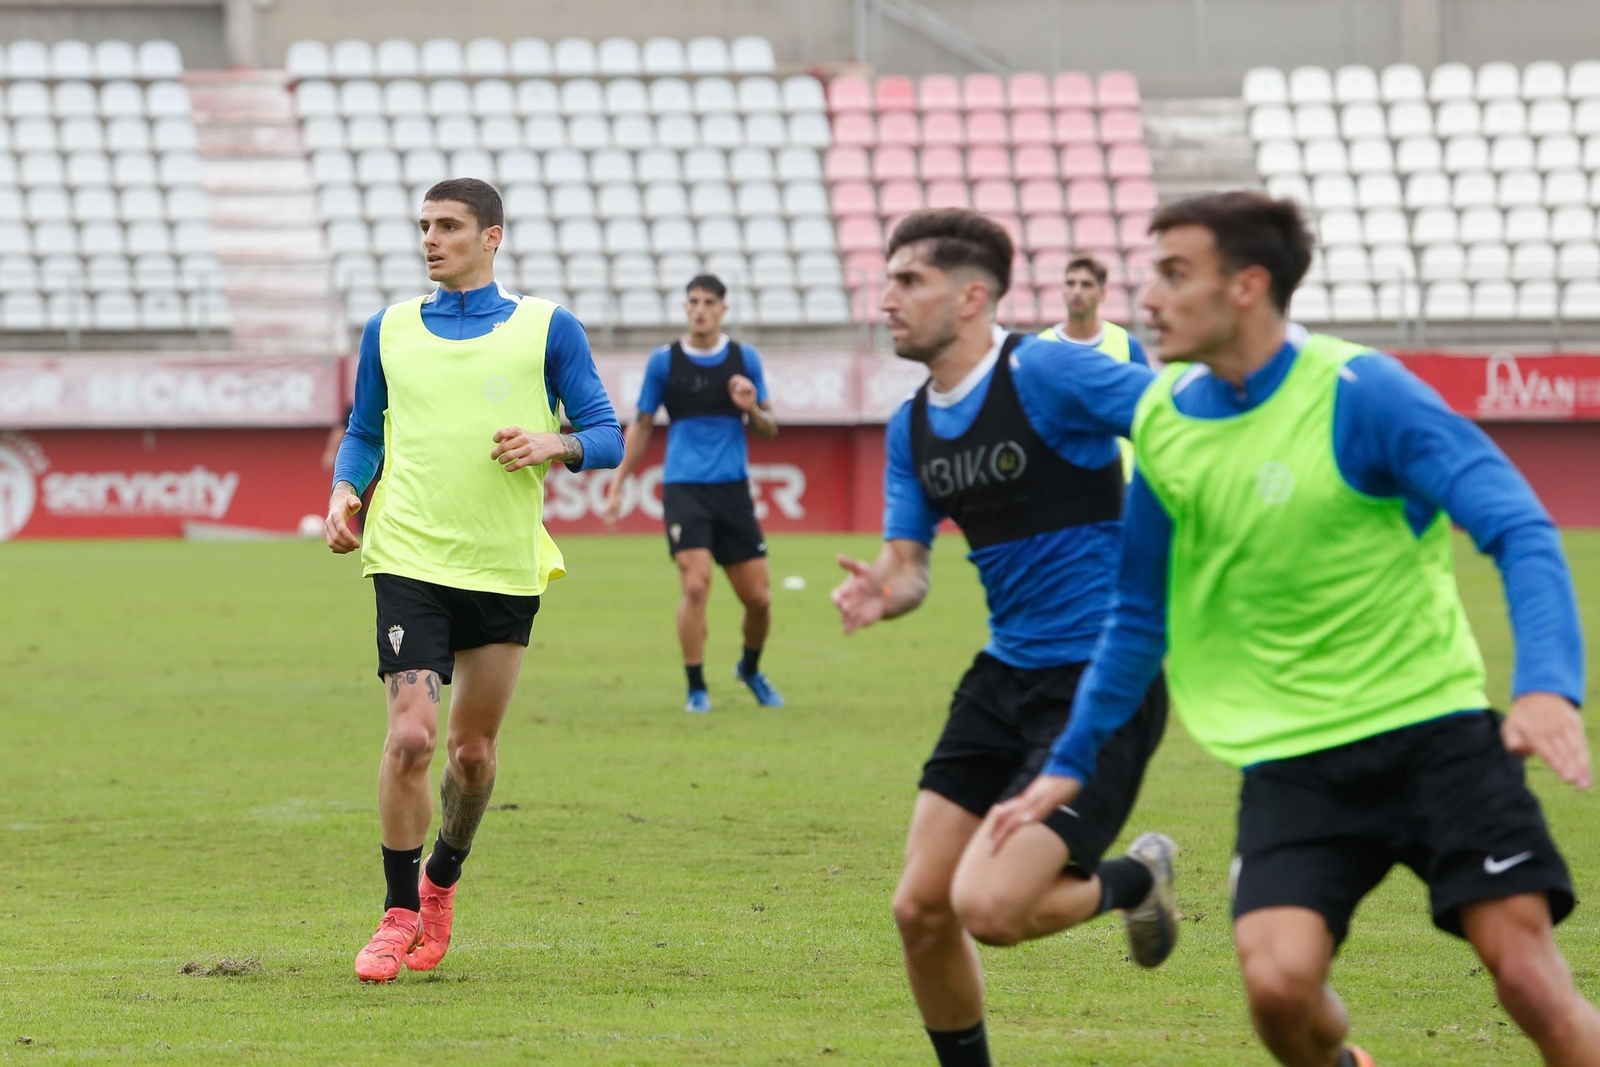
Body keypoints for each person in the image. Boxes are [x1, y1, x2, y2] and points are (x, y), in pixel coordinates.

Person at [991, 190, 1600, 1067]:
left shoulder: (1363, 392)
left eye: (1173, 273)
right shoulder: (1165, 420)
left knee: (1529, 978)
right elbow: (1136, 616)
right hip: (1295, 761)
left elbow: (1518, 526)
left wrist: (1546, 685)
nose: (1147, 298)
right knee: (1278, 990)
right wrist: (1069, 763)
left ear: (1247, 285)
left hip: (1433, 734)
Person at [830, 208, 1177, 1067]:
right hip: (1003, 678)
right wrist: (883, 590)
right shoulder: (911, 426)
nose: (887, 299)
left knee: (990, 907)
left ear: (974, 295)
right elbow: (909, 568)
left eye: (909, 281)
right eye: (887, 280)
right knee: (920, 908)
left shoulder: (1051, 370)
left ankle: (1137, 877)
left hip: (1101, 678)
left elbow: (1181, 428)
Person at [326, 177, 623, 983]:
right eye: (424, 225)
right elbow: (363, 431)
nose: (431, 238)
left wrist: (550, 444)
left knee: (473, 753)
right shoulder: (387, 330)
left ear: (491, 237)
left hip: (500, 564)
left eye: (449, 226)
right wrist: (346, 491)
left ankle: (441, 881)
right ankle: (395, 914)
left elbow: (606, 434)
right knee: (412, 735)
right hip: (408, 557)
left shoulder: (546, 327)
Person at [601, 274, 784, 714]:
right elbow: (642, 425)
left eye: (708, 302)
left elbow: (770, 427)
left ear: (723, 309)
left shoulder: (744, 358)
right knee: (696, 585)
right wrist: (619, 480)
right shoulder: (665, 362)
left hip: (732, 491)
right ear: (686, 308)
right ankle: (696, 686)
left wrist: (751, 408)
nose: (699, 309)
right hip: (684, 489)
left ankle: (750, 669)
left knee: (759, 599)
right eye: (693, 302)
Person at [1038, 254, 1149, 480]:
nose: (1077, 291)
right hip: (1060, 479)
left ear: (1103, 294)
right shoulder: (1041, 346)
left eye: (1086, 284)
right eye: (1070, 283)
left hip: (1121, 479)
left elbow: (1147, 411)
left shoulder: (1126, 344)